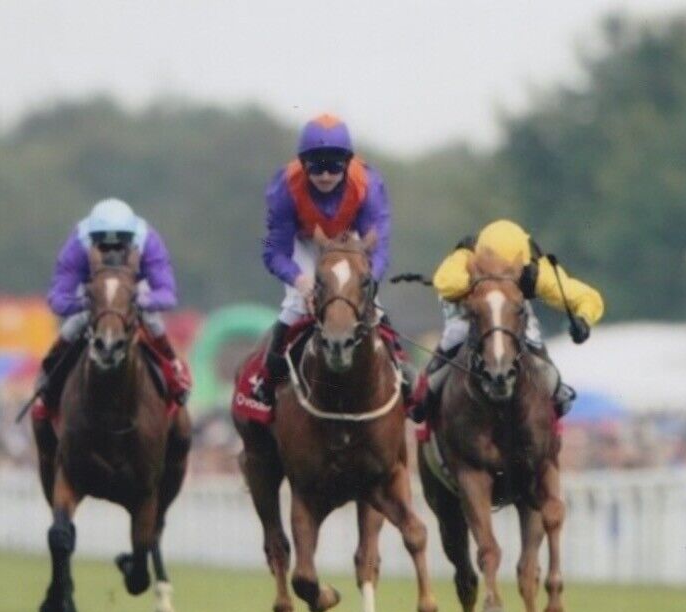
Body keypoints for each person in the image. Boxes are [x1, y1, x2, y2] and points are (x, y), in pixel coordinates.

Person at [256, 112, 410, 406]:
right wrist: (301, 282)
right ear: (303, 164)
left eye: (334, 166)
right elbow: (275, 251)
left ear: (347, 163)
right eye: (316, 167)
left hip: (349, 244)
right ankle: (266, 379)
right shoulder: (285, 187)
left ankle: (402, 371)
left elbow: (378, 249)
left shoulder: (368, 184)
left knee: (372, 307)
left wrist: (368, 283)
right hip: (304, 244)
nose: (325, 175)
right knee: (295, 305)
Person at [409, 218, 604, 423]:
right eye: (493, 268)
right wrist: (479, 282)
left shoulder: (535, 271)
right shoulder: (464, 256)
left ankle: (556, 388)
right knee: (455, 335)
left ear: (521, 264)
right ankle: (426, 388)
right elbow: (445, 283)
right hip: (471, 305)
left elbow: (585, 296)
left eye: (507, 272)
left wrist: (583, 320)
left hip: (511, 307)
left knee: (533, 339)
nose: (500, 275)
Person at [33, 197, 191, 411]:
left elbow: (167, 294)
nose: (111, 250)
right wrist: (84, 303)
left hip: (133, 289)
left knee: (153, 320)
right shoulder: (78, 244)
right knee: (73, 324)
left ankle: (175, 373)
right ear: (92, 237)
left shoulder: (148, 241)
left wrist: (143, 300)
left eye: (119, 243)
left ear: (131, 237)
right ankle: (48, 376)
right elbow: (57, 298)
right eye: (103, 244)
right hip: (94, 290)